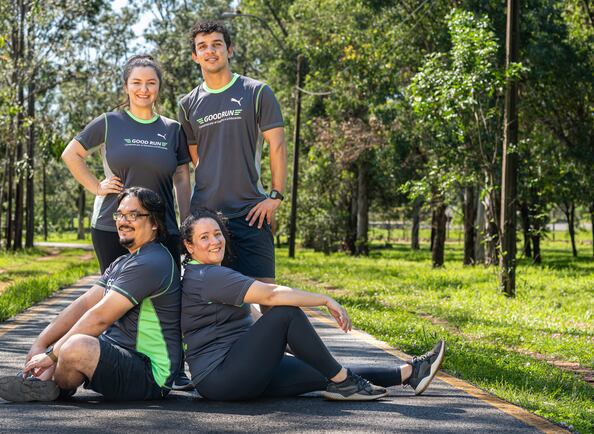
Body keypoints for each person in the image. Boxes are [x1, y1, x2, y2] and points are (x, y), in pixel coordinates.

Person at [179, 209, 446, 401]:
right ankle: (345, 384)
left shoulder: (209, 274)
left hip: (237, 370)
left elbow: (256, 319)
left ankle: (411, 373)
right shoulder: (208, 276)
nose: (215, 241)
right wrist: (324, 299)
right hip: (222, 376)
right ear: (189, 246)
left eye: (217, 233)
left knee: (327, 369)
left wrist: (291, 347)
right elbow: (270, 296)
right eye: (204, 237)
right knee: (285, 313)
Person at [0, 187, 182, 402]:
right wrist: (41, 342)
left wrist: (51, 355)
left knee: (75, 346)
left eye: (133, 215)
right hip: (119, 353)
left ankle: (51, 385)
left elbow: (99, 317)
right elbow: (84, 304)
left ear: (155, 222)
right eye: (119, 214)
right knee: (67, 344)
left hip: (151, 374)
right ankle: (46, 384)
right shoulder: (123, 261)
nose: (123, 221)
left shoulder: (151, 262)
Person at [177, 20, 286, 286]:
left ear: (230, 50)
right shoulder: (187, 104)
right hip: (206, 218)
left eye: (217, 44)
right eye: (202, 46)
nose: (210, 51)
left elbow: (278, 146)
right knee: (213, 302)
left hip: (251, 213)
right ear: (195, 56)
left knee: (267, 296)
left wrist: (275, 196)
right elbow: (196, 160)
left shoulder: (257, 92)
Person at [63, 54, 191, 273]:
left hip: (162, 228)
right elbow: (71, 154)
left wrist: (187, 222)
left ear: (158, 87)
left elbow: (182, 177)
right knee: (115, 299)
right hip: (114, 227)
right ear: (126, 87)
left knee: (164, 300)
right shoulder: (110, 122)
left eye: (151, 83)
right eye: (136, 82)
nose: (144, 89)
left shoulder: (173, 129)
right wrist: (96, 187)